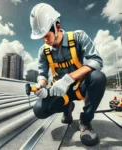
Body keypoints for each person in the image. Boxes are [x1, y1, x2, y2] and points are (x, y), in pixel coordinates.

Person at [29, 3, 106, 146]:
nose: (45, 40)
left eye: (47, 35)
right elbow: (42, 74)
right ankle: (67, 107)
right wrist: (41, 86)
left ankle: (86, 120)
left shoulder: (79, 37)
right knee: (39, 110)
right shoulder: (43, 51)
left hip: (81, 87)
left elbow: (96, 61)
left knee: (98, 77)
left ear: (57, 27)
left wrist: (69, 78)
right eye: (41, 37)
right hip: (61, 91)